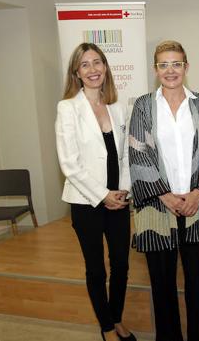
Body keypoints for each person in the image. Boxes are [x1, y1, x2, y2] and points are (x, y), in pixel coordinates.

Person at [128, 40, 199, 341]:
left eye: (176, 64)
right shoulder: (143, 105)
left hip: (197, 205)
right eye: (164, 65)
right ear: (156, 70)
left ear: (186, 67)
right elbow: (138, 153)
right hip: (157, 207)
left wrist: (198, 192)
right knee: (162, 285)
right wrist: (164, 195)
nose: (170, 70)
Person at [55, 43, 136, 341]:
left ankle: (116, 318)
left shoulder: (116, 105)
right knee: (96, 269)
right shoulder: (68, 108)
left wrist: (122, 191)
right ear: (76, 72)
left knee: (122, 265)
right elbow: (69, 163)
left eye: (97, 62)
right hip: (87, 201)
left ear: (105, 67)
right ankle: (105, 326)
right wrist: (103, 194)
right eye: (85, 64)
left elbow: (126, 154)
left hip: (119, 199)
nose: (93, 69)